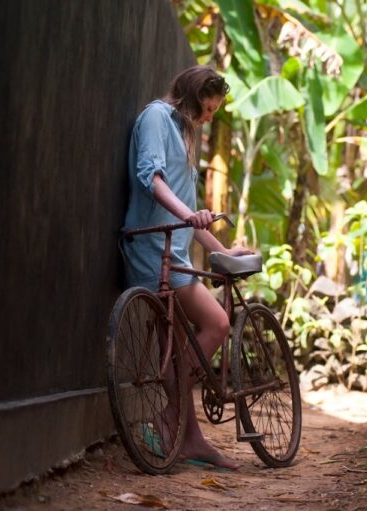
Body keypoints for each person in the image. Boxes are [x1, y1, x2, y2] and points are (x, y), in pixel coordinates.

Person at [122, 65, 249, 470]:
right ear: (193, 98)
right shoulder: (156, 117)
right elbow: (151, 178)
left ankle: (190, 440)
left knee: (178, 351)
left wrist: (221, 251)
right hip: (151, 247)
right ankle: (164, 417)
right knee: (218, 323)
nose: (210, 117)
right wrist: (189, 217)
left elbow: (189, 213)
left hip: (173, 250)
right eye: (208, 109)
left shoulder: (184, 132)